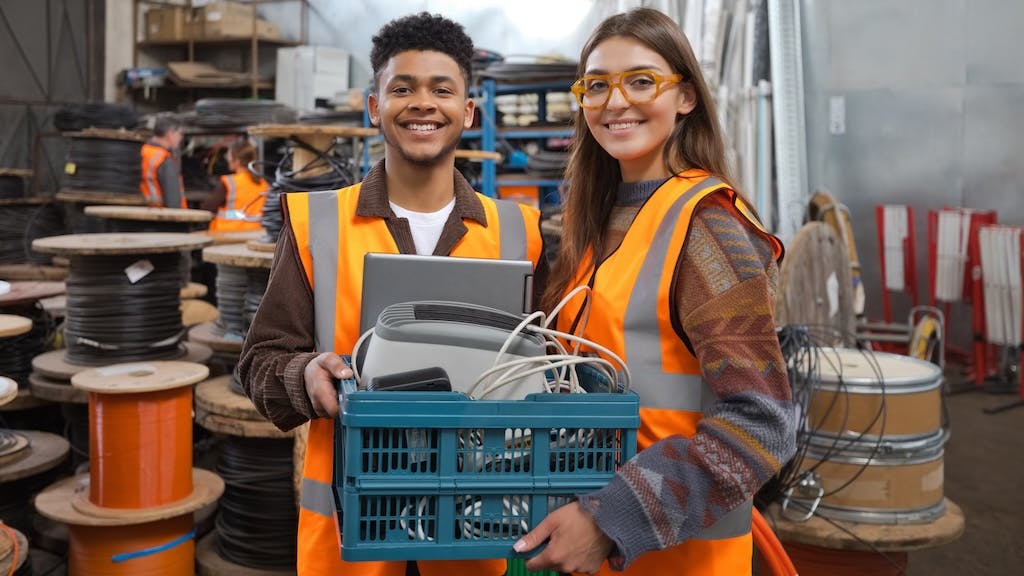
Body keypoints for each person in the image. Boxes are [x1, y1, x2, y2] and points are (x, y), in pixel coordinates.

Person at [237, 12, 545, 576]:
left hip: (470, 530)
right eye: (402, 88)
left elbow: (546, 366)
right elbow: (259, 362)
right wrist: (303, 376)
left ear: (468, 112)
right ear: (375, 106)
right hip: (350, 532)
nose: (422, 103)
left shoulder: (518, 232)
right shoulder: (317, 224)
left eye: (442, 89)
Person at [514, 8, 796, 576]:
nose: (616, 102)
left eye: (641, 81)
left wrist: (606, 520)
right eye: (596, 85)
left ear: (685, 96)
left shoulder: (708, 228)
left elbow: (762, 420)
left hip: (674, 560)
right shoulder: (598, 224)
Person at [203, 138, 268, 232]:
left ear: (237, 161)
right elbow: (248, 213)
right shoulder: (263, 184)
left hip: (228, 235)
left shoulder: (228, 182)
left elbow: (208, 206)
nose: (227, 159)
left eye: (228, 156)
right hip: (255, 234)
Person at [140, 111, 187, 208]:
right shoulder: (165, 160)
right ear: (170, 134)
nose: (181, 138)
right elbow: (173, 202)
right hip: (164, 218)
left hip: (146, 214)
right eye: (180, 134)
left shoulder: (143, 151)